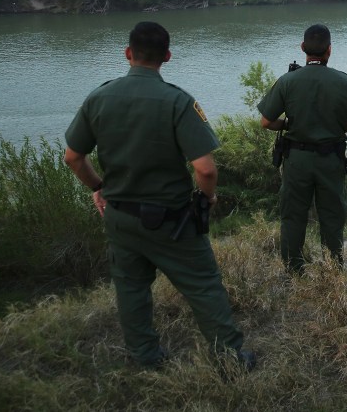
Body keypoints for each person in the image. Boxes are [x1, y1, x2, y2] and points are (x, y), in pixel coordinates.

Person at [63, 21, 255, 371]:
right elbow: (206, 169)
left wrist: (98, 187)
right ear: (167, 56)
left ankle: (145, 357)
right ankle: (229, 359)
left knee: (131, 288)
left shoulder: (99, 98)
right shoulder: (177, 102)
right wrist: (206, 198)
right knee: (203, 285)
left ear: (128, 53)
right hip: (171, 219)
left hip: (119, 215)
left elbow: (73, 157)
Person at [257, 23, 347, 273]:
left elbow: (266, 121)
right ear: (329, 50)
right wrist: (336, 125)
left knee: (293, 216)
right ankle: (332, 271)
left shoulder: (287, 81)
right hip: (331, 159)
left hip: (297, 159)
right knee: (331, 216)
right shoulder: (345, 82)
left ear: (303, 48)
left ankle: (293, 272)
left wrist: (288, 123)